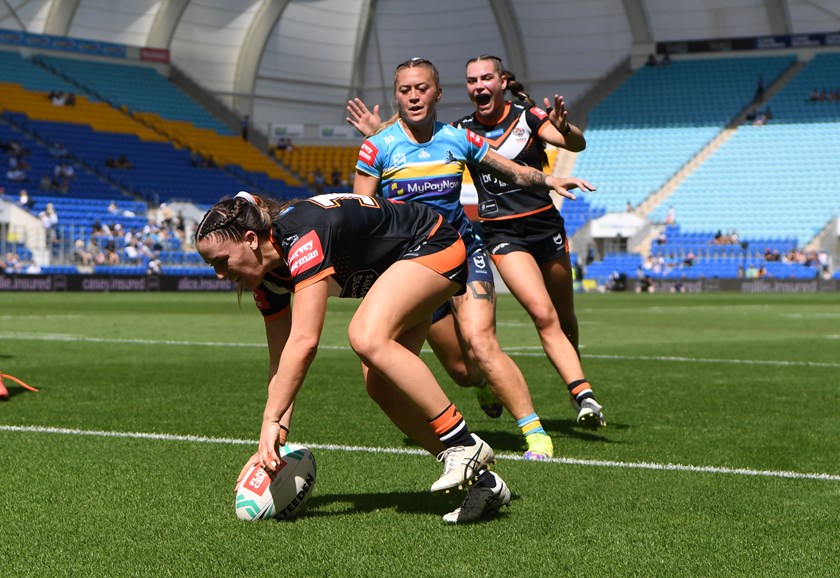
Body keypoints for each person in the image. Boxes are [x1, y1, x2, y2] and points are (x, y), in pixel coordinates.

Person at [197, 191, 510, 524]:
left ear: (249, 239)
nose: (219, 273)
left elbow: (305, 342)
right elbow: (282, 362)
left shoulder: (301, 235)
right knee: (381, 385)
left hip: (433, 243)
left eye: (221, 260)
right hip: (402, 264)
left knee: (366, 336)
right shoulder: (266, 281)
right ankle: (484, 484)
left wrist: (270, 421)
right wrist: (274, 442)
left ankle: (463, 444)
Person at [347, 57, 597, 465]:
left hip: (464, 254)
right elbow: (364, 213)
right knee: (462, 371)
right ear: (397, 95)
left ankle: (534, 433)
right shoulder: (377, 147)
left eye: (422, 88)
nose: (414, 96)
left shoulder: (457, 138)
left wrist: (550, 179)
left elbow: (511, 170)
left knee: (482, 342)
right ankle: (479, 386)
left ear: (438, 93)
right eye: (405, 89)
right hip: (413, 271)